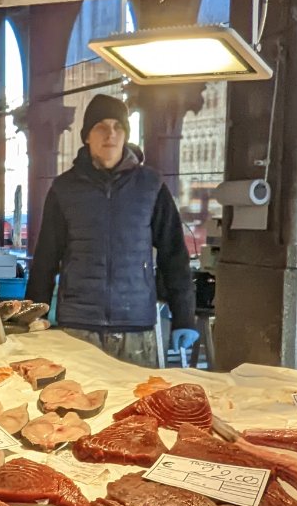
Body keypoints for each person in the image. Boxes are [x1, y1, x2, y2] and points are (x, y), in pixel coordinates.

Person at [26, 95, 199, 367]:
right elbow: (46, 258)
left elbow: (174, 255)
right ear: (87, 137)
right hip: (77, 325)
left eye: (118, 126)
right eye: (101, 127)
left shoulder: (151, 186)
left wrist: (184, 317)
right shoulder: (64, 189)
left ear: (126, 135)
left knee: (138, 403)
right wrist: (34, 313)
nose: (111, 133)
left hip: (136, 326)